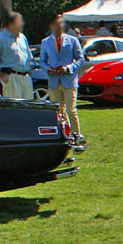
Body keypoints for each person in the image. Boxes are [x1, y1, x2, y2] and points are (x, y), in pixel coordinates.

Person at [40, 13, 85, 151]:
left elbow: (81, 59)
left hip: (69, 80)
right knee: (59, 111)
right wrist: (48, 69)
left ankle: (77, 136)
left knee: (71, 110)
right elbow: (42, 61)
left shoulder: (72, 40)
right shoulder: (45, 42)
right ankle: (65, 136)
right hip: (54, 81)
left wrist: (68, 68)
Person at [0, 12, 33, 100]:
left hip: (26, 78)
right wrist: (1, 75)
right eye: (19, 21)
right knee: (14, 106)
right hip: (12, 78)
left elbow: (29, 58)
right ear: (11, 24)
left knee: (28, 106)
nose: (22, 24)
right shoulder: (0, 38)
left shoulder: (22, 37)